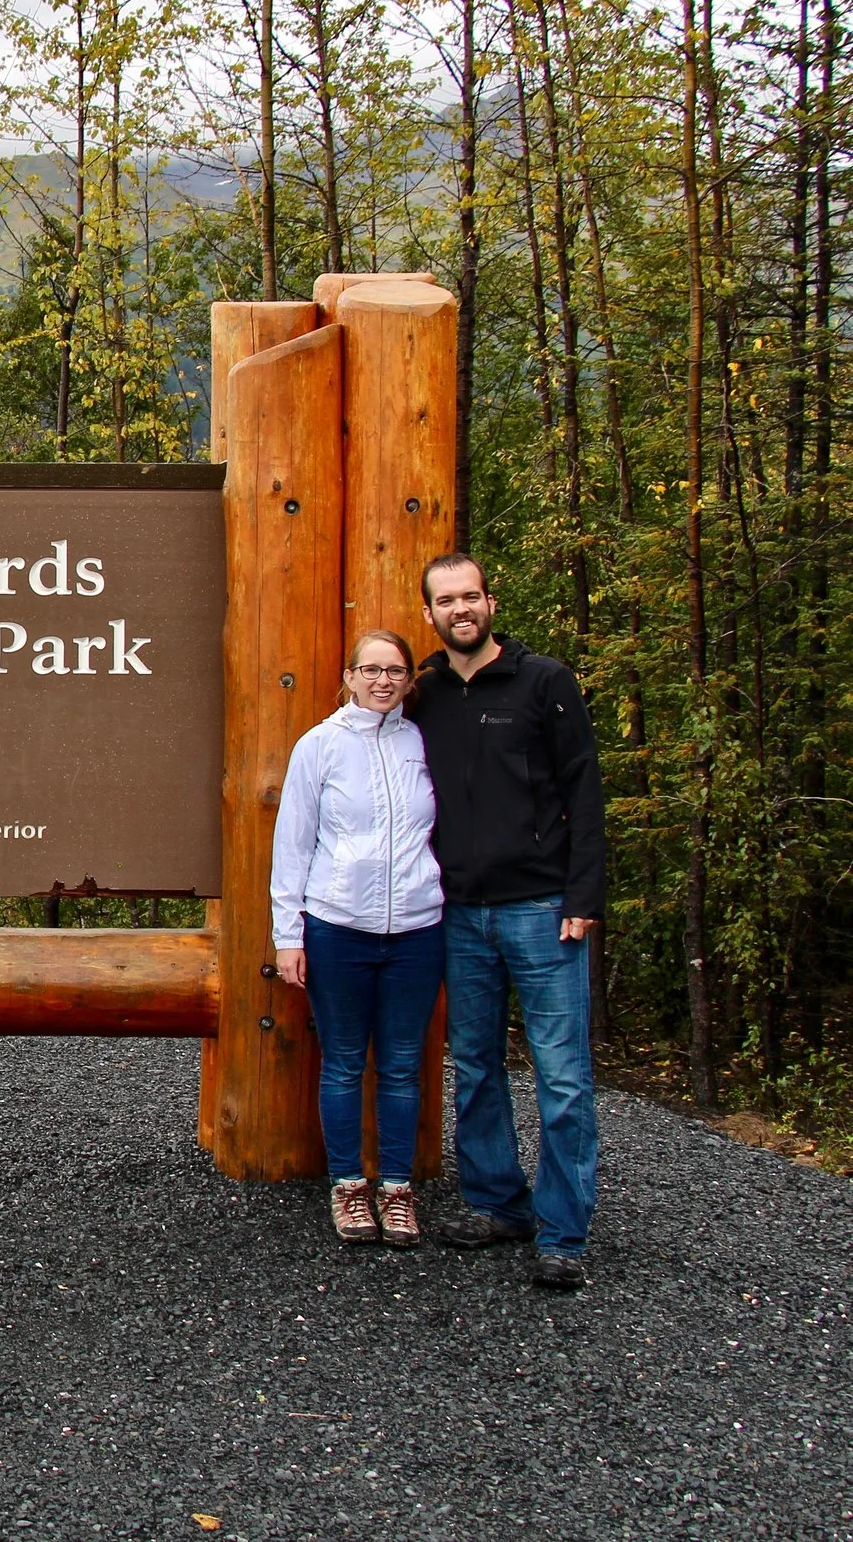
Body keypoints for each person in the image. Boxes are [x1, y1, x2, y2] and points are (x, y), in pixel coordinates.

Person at [412, 552, 606, 1291]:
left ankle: (562, 1228)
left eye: (471, 596)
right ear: (429, 613)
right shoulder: (425, 694)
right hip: (458, 911)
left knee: (562, 1074)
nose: (461, 609)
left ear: (490, 602)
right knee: (477, 1066)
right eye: (446, 600)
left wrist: (583, 897)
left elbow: (584, 793)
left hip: (542, 907)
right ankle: (497, 1201)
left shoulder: (544, 683)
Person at [270, 629, 446, 1247]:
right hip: (338, 925)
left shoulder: (422, 743)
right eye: (369, 670)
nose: (382, 681)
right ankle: (348, 1187)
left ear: (408, 680)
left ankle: (396, 1191)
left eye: (395, 671)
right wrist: (287, 935)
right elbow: (292, 844)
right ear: (348, 677)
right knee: (343, 1064)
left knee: (402, 1067)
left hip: (418, 929)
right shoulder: (319, 746)